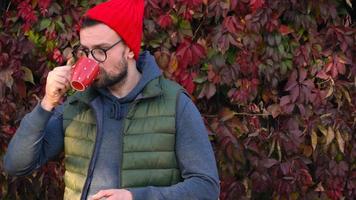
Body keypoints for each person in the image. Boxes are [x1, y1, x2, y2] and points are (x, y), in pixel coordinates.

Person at [3, 0, 220, 199]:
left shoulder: (174, 103)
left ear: (129, 49)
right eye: (86, 51)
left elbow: (206, 188)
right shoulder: (77, 104)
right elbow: (16, 165)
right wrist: (47, 104)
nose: (91, 61)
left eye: (100, 50)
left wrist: (136, 197)